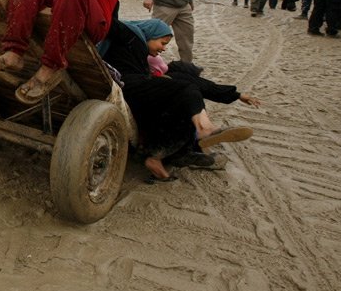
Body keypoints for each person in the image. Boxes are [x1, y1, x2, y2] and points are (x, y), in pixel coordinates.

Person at [101, 18, 258, 181]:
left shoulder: (145, 55)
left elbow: (198, 83)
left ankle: (157, 157)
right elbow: (109, 18)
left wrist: (236, 95)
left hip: (140, 87)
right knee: (185, 88)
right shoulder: (131, 36)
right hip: (130, 87)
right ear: (151, 35)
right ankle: (204, 129)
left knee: (185, 85)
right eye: (162, 42)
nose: (164, 48)